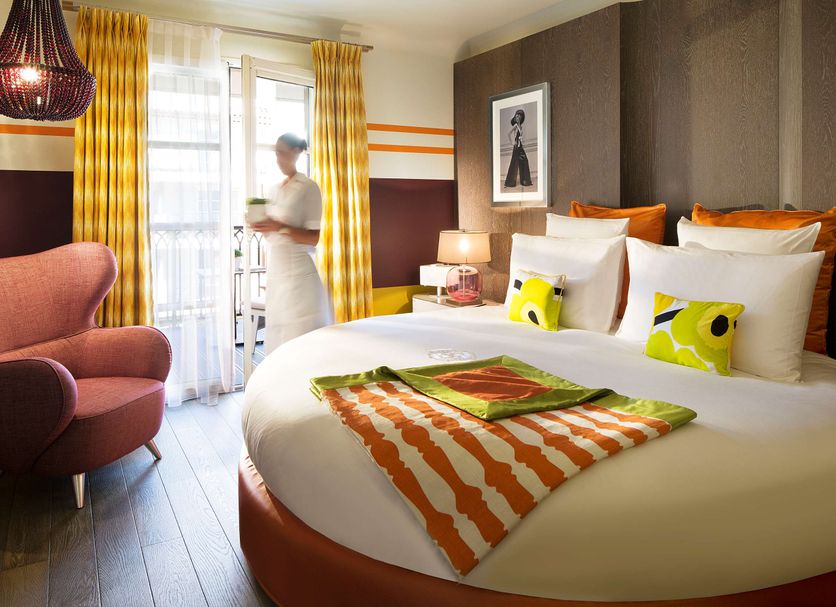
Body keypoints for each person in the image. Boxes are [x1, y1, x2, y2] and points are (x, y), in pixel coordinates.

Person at [250, 133, 333, 353]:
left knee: (299, 343)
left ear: (296, 152)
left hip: (299, 277)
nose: (278, 158)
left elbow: (314, 238)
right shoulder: (274, 190)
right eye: (276, 153)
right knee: (278, 340)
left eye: (282, 153)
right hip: (276, 274)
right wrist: (262, 226)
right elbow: (274, 236)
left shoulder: (308, 187)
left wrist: (279, 227)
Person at [504, 108, 532, 188]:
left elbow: (520, 136)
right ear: (515, 118)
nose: (518, 117)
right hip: (516, 147)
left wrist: (521, 140)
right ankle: (510, 182)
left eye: (520, 116)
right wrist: (512, 143)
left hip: (520, 146)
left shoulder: (520, 127)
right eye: (517, 116)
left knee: (524, 160)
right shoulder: (516, 126)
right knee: (514, 163)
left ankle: (525, 181)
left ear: (521, 118)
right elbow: (508, 134)